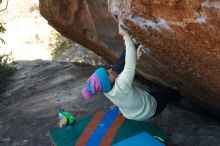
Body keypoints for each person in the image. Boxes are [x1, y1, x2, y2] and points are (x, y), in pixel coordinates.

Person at [82, 25, 182, 121]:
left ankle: (128, 109)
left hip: (131, 113)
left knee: (147, 95)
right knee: (166, 92)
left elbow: (128, 69)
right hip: (150, 110)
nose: (110, 70)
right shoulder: (122, 85)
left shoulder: (106, 90)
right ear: (107, 82)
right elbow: (129, 65)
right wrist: (126, 36)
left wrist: (136, 57)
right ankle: (178, 94)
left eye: (107, 70)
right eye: (108, 73)